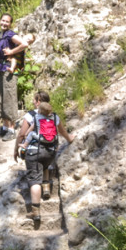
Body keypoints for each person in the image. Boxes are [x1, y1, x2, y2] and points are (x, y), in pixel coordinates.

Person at [13, 90, 74, 223]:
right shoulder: (55, 117)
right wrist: (69, 139)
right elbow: (62, 131)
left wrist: (18, 148)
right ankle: (46, 187)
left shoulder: (33, 116)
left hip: (35, 151)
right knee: (45, 165)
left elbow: (23, 134)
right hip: (50, 152)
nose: (33, 102)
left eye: (35, 100)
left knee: (35, 181)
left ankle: (35, 212)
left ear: (39, 102)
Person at [0, 13, 34, 140]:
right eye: (3, 21)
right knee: (1, 97)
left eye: (7, 22)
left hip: (8, 70)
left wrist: (11, 52)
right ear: (0, 21)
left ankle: (12, 129)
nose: (4, 23)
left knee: (9, 97)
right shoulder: (0, 35)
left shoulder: (10, 34)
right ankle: (4, 127)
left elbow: (24, 44)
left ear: (10, 24)